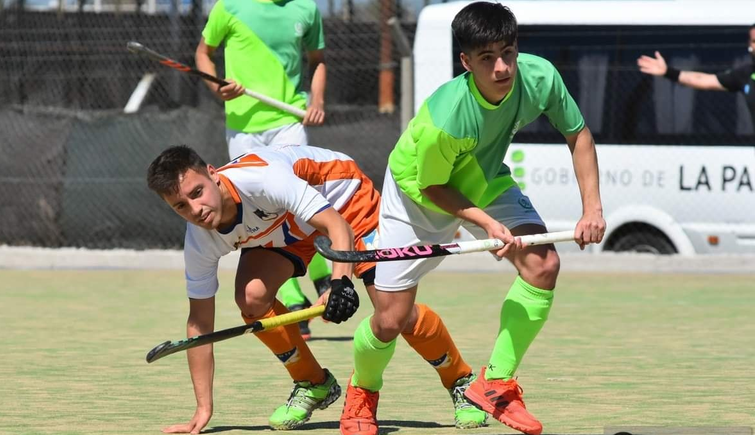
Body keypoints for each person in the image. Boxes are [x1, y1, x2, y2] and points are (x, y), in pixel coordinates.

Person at [338, 3, 606, 435]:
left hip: (485, 178)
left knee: (543, 265)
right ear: (466, 61)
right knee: (390, 321)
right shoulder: (447, 117)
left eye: (508, 53)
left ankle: (495, 383)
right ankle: (361, 395)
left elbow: (579, 135)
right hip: (416, 195)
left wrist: (592, 208)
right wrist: (484, 223)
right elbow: (433, 187)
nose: (502, 68)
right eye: (487, 58)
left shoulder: (539, 77)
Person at [147, 144, 367, 434]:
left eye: (196, 192)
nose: (195, 210)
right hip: (286, 224)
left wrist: (341, 283)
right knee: (252, 299)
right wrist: (203, 408)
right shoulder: (199, 238)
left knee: (391, 313)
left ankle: (450, 377)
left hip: (343, 198)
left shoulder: (262, 180)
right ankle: (315, 384)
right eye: (180, 206)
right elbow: (199, 322)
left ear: (213, 174)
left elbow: (337, 226)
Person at [195, 0, 332, 340]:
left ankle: (322, 276)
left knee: (296, 202)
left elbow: (318, 61)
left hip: (289, 119)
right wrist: (218, 88)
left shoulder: (306, 8)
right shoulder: (229, 7)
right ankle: (294, 300)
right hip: (243, 125)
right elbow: (203, 53)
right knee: (262, 215)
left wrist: (316, 101)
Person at [637, 24, 755, 126]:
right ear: (749, 44)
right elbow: (704, 80)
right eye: (754, 41)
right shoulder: (744, 74)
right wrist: (668, 72)